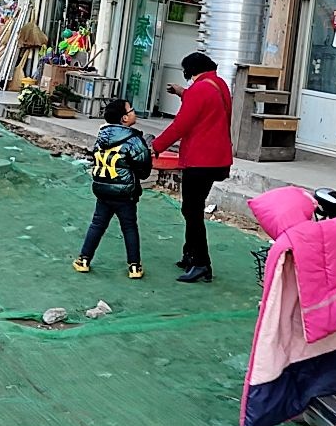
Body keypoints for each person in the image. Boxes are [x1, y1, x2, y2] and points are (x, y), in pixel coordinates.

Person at [153, 53, 233, 284]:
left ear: (190, 71)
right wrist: (182, 93)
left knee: (192, 210)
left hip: (200, 160)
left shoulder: (200, 90)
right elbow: (203, 104)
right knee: (193, 208)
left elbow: (181, 125)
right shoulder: (218, 84)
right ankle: (190, 255)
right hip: (216, 159)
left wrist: (156, 146)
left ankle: (200, 262)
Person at [74, 98, 153, 279]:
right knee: (129, 227)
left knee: (97, 224)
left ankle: (83, 260)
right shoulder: (134, 140)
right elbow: (144, 170)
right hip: (125, 194)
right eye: (131, 110)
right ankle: (134, 267)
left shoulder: (101, 138)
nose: (134, 112)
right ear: (124, 118)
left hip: (103, 190)